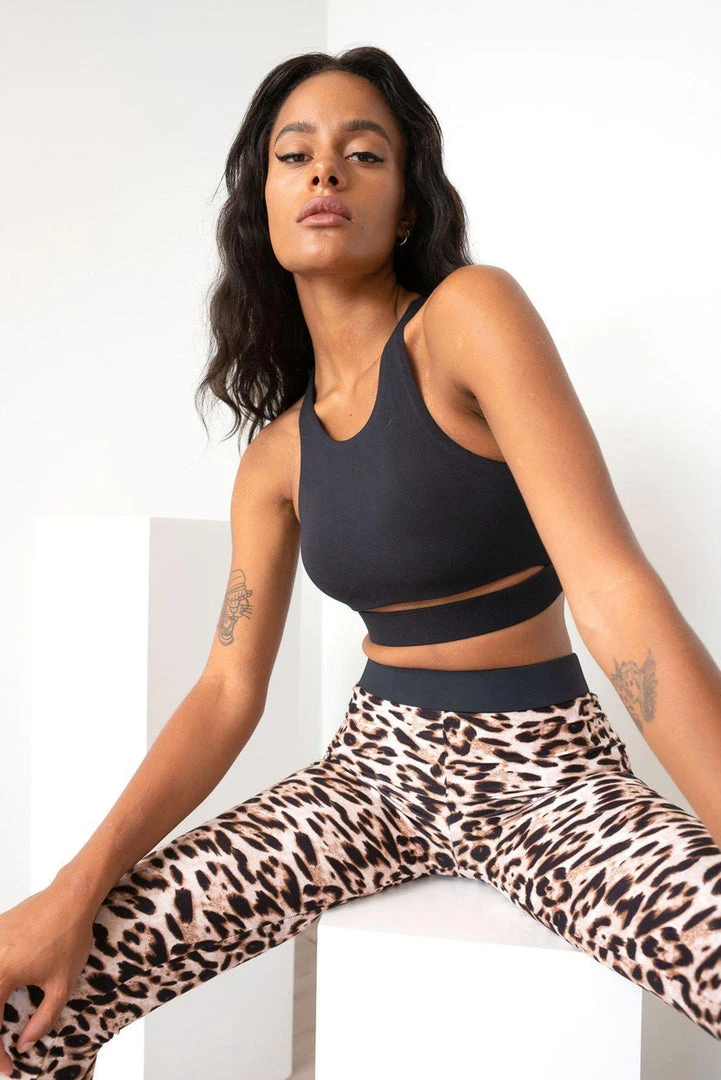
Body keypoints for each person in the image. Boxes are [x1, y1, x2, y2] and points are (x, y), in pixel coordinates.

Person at [2, 44, 721, 1079]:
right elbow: (225, 690)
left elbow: (613, 594)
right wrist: (70, 890)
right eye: (294, 154)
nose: (326, 170)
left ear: (409, 206)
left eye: (364, 153)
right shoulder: (275, 459)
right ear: (262, 205)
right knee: (31, 995)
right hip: (372, 772)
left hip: (548, 773)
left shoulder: (471, 318)